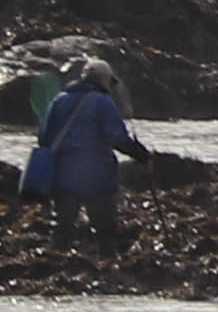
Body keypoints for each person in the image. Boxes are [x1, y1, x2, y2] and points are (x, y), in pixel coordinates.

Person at [25, 57, 144, 251]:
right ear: (104, 79)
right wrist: (140, 155)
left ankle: (56, 266)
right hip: (97, 175)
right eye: (110, 82)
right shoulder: (103, 103)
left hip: (62, 175)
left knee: (63, 227)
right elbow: (117, 138)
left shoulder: (58, 101)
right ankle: (107, 269)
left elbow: (44, 138)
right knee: (104, 228)